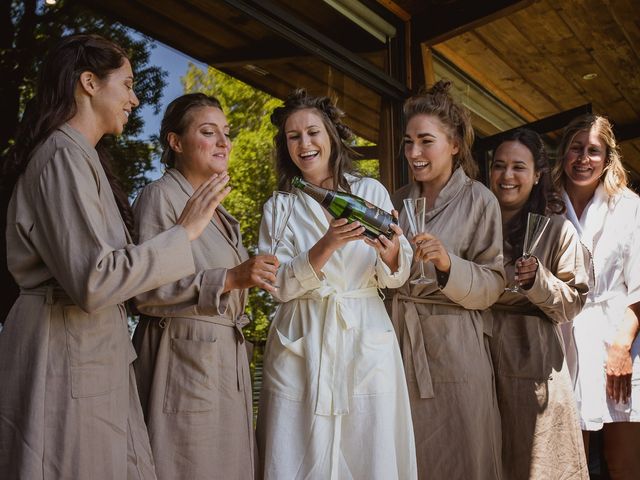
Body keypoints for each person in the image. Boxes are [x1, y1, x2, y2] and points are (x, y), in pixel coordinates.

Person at [0, 34, 228, 479]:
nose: (134, 98)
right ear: (89, 82)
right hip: (63, 353)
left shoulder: (81, 157)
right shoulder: (60, 156)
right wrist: (186, 231)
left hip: (91, 351)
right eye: (126, 84)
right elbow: (94, 280)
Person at [256, 89, 417, 479]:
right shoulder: (279, 206)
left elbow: (397, 270)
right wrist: (326, 245)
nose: (305, 144)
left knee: (369, 449)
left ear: (330, 136)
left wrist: (392, 251)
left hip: (364, 331)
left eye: (313, 132)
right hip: (303, 335)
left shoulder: (369, 191)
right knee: (297, 452)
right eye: (293, 137)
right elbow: (274, 283)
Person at [131, 93, 279, 480]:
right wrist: (231, 278)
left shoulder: (220, 210)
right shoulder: (159, 196)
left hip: (224, 364)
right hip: (181, 361)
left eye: (226, 133)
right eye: (209, 132)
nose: (223, 142)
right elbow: (144, 291)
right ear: (175, 142)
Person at [390, 80, 505, 480]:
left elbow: (493, 284)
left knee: (464, 455)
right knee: (409, 459)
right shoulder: (396, 201)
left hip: (457, 349)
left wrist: (447, 264)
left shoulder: (479, 200)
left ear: (454, 144)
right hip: (402, 346)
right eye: (408, 142)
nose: (414, 153)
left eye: (426, 141)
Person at [487, 128, 589, 479]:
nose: (508, 176)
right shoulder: (476, 220)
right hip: (479, 355)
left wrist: (537, 281)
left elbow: (574, 302)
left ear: (537, 175)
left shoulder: (558, 228)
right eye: (499, 166)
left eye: (519, 167)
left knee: (538, 466)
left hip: (534, 360)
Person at [553, 114, 640, 479]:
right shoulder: (547, 203)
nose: (583, 158)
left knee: (622, 462)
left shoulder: (629, 206)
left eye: (593, 151)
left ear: (607, 158)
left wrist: (622, 347)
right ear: (563, 153)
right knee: (571, 459)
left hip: (617, 334)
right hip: (562, 337)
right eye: (576, 148)